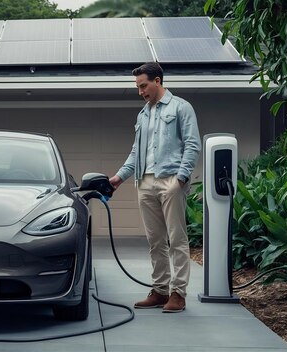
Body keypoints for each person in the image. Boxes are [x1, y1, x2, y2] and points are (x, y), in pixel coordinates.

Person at [109, 62, 201, 313]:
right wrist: (120, 177)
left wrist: (180, 179)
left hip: (170, 180)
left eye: (143, 86)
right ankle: (160, 290)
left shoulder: (181, 107)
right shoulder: (143, 114)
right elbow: (136, 151)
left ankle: (178, 293)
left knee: (177, 239)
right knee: (155, 240)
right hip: (145, 182)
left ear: (157, 80)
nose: (141, 92)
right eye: (138, 87)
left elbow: (193, 145)